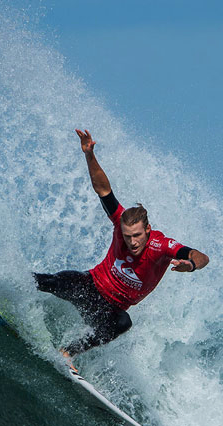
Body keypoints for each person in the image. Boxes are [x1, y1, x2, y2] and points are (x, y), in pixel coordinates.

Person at [34, 129, 209, 370]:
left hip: (110, 310)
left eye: (137, 236)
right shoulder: (119, 222)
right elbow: (103, 189)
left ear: (147, 229)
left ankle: (67, 353)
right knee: (53, 281)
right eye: (127, 237)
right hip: (90, 286)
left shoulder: (160, 245)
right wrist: (89, 155)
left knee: (123, 323)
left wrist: (190, 265)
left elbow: (200, 256)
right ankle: (6, 283)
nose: (132, 242)